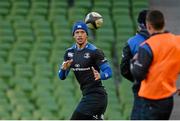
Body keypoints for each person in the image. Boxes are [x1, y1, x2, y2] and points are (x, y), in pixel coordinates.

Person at [130, 10, 180, 120]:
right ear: (164, 23)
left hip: (150, 101)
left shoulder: (146, 46)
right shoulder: (177, 41)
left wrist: (133, 62)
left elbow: (138, 75)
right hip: (167, 99)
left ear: (148, 26)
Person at [58, 21, 112, 120]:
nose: (79, 35)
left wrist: (101, 76)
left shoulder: (95, 52)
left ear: (86, 34)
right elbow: (62, 77)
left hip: (96, 96)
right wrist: (63, 69)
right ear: (73, 35)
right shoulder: (69, 53)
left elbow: (109, 72)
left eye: (82, 32)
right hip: (87, 95)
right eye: (77, 32)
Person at [120, 10, 149, 119]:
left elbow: (124, 70)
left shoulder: (132, 42)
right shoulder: (164, 41)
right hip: (162, 94)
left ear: (140, 24)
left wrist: (137, 79)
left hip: (141, 89)